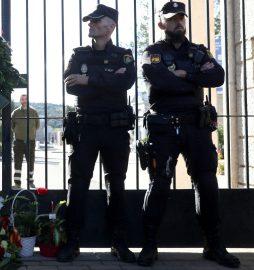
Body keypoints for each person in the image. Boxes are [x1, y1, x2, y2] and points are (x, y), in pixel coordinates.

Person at [138, 2, 240, 268]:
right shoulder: (152, 52)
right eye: (172, 19)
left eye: (181, 18)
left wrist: (183, 74)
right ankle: (149, 244)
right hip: (163, 128)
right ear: (161, 23)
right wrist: (195, 76)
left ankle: (213, 244)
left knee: (206, 184)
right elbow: (157, 78)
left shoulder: (198, 51)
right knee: (159, 184)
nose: (178, 23)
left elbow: (217, 76)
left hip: (196, 127)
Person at [57, 4, 136, 263]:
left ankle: (119, 241)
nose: (90, 24)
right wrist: (108, 78)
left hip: (115, 128)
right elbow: (71, 86)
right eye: (89, 20)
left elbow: (126, 82)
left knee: (116, 183)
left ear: (110, 26)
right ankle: (73, 241)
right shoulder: (78, 54)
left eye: (95, 20)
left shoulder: (124, 55)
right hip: (86, 128)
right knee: (78, 183)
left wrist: (89, 79)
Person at [11, 94, 40, 189]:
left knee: (30, 162)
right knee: (17, 162)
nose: (24, 101)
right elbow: (12, 126)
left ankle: (30, 182)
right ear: (20, 101)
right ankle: (17, 183)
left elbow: (37, 126)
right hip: (18, 142)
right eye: (22, 99)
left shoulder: (34, 112)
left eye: (26, 99)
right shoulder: (15, 113)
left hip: (30, 142)